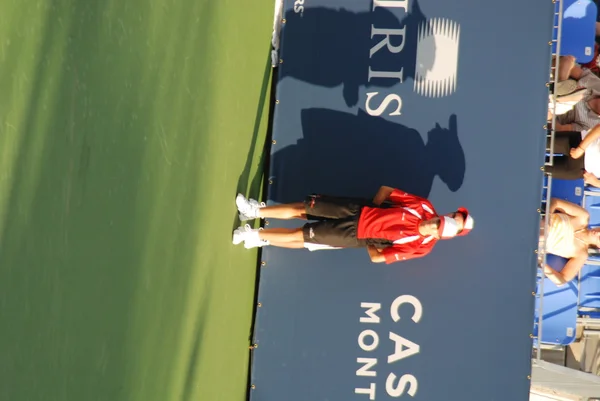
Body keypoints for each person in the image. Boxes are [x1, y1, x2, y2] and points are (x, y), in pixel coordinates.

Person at [232, 186, 474, 264]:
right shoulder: (423, 206)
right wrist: (372, 209)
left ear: (441, 236)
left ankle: (254, 235)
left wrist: (368, 238)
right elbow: (387, 191)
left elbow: (380, 258)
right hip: (357, 210)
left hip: (353, 235)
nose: (434, 223)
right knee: (303, 209)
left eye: (438, 227)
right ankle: (254, 210)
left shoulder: (421, 247)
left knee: (302, 236)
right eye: (440, 220)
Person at [541, 198, 600, 285]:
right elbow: (554, 202)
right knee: (542, 233)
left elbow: (562, 280)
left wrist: (541, 263)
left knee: (542, 237)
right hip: (538, 220)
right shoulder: (583, 216)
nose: (598, 232)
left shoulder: (581, 254)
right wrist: (547, 218)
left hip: (536, 242)